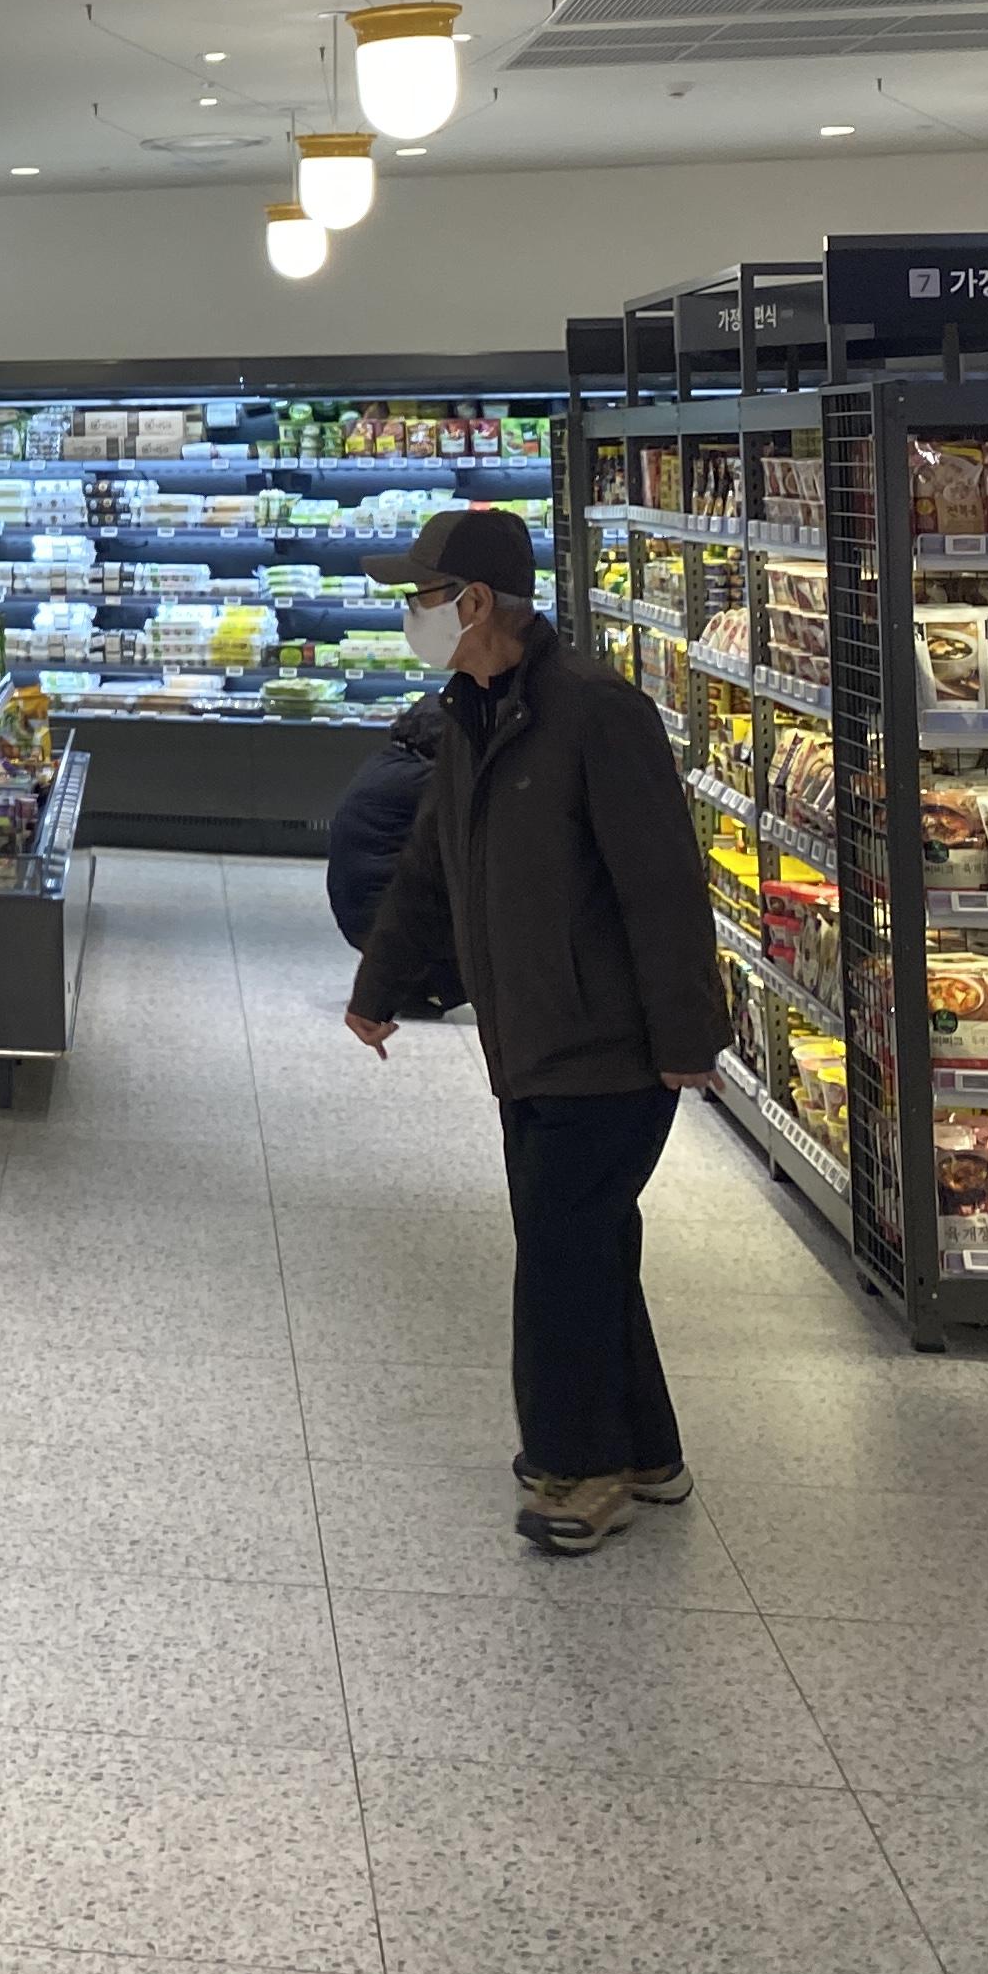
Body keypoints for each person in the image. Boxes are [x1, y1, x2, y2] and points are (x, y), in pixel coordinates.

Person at [343, 504, 729, 1560]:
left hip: (606, 1047)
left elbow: (662, 886)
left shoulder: (598, 714)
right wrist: (380, 986)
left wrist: (687, 1040)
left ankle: (577, 1469)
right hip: (527, 1039)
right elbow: (431, 868)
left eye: (422, 596)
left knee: (558, 1256)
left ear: (474, 603)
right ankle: (646, 1451)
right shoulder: (470, 715)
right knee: (588, 1243)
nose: (412, 614)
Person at [325, 685, 458, 1005]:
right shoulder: (424, 779)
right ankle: (422, 984)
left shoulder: (390, 762)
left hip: (359, 909)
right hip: (383, 920)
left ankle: (415, 984)